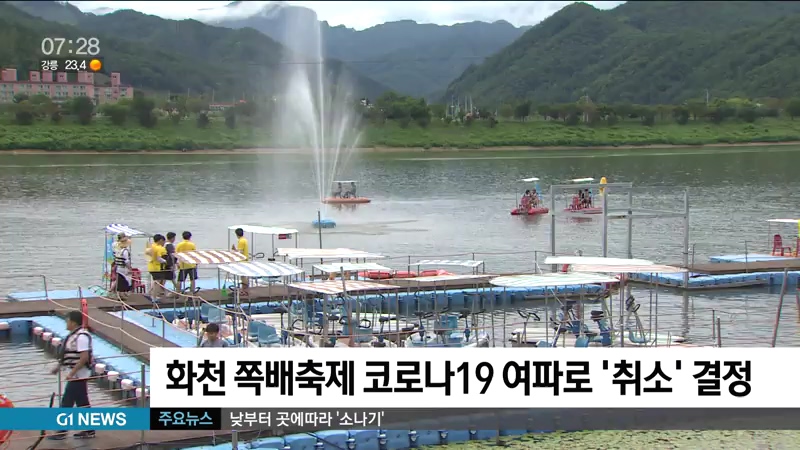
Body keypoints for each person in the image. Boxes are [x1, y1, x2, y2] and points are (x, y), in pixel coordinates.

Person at [49, 311, 95, 440]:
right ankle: (89, 430)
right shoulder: (74, 336)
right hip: (76, 375)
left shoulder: (81, 337)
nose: (66, 323)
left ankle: (62, 431)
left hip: (79, 375)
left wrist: (72, 373)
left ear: (73, 322)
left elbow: (84, 358)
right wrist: (58, 368)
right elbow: (67, 355)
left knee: (67, 402)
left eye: (67, 320)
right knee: (82, 402)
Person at [145, 234, 168, 300]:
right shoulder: (159, 248)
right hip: (157, 267)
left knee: (156, 282)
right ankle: (154, 297)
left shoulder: (151, 246)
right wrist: (165, 261)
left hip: (150, 266)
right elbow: (159, 258)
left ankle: (150, 294)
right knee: (157, 283)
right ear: (160, 240)